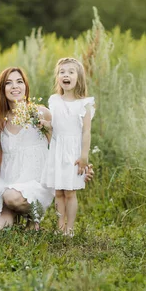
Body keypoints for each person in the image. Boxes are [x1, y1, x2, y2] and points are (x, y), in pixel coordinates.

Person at [0, 67, 94, 230]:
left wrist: (80, 164)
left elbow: (62, 144)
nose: (15, 86)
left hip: (35, 181)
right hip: (7, 179)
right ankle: (14, 213)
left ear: (25, 86)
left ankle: (33, 216)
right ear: (2, 89)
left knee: (12, 197)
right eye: (9, 83)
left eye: (19, 81)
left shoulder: (41, 114)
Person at [39, 57, 95, 236]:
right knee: (58, 192)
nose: (66, 75)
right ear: (58, 77)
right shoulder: (54, 100)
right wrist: (45, 125)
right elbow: (54, 126)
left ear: (78, 77)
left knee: (70, 192)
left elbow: (86, 132)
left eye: (71, 72)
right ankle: (60, 226)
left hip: (73, 153)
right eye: (62, 72)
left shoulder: (84, 104)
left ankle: (69, 229)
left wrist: (84, 156)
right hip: (57, 150)